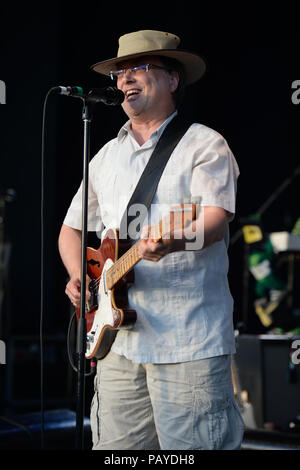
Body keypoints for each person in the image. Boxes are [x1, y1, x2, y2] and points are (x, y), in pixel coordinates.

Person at [58, 29, 244, 450]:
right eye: (120, 71)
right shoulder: (105, 155)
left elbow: (215, 220)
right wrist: (80, 277)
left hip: (187, 341)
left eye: (139, 68)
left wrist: (175, 241)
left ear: (173, 79)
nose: (125, 79)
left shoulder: (204, 144)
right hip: (117, 342)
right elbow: (70, 228)